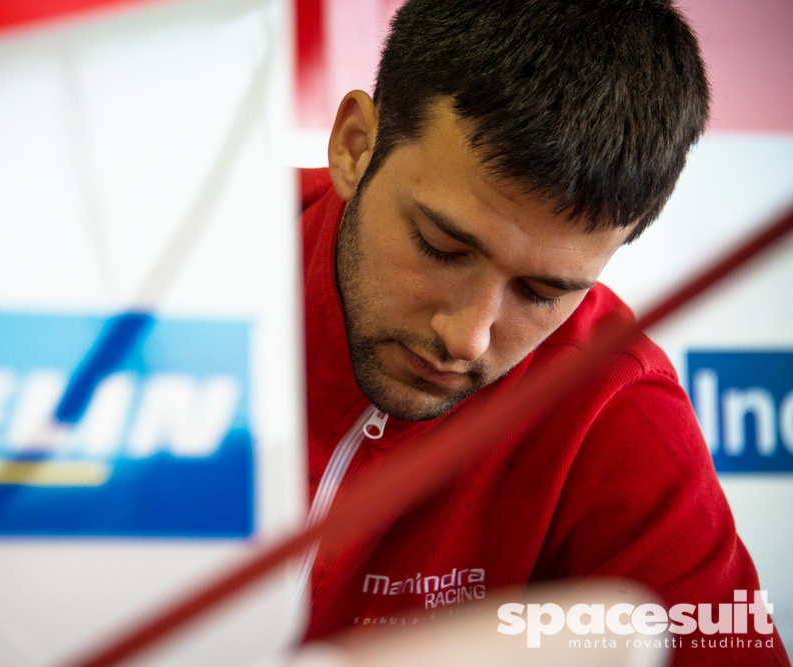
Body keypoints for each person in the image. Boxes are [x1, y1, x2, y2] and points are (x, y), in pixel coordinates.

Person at [297, 1, 790, 665]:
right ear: (356, 146)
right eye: (441, 245)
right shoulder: (153, 285)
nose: (468, 337)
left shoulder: (609, 397)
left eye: (542, 293)